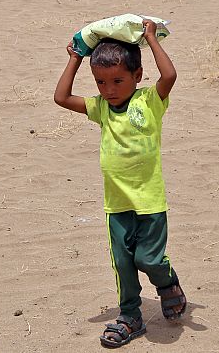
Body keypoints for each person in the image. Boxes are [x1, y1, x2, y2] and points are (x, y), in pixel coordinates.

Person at [53, 22, 186, 348]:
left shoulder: (149, 102)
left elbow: (169, 77)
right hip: (117, 205)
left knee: (149, 260)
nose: (108, 89)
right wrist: (76, 57)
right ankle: (131, 316)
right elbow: (61, 97)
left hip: (150, 202)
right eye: (100, 82)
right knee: (123, 264)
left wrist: (151, 38)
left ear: (137, 76)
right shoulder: (101, 108)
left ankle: (167, 282)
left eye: (117, 81)